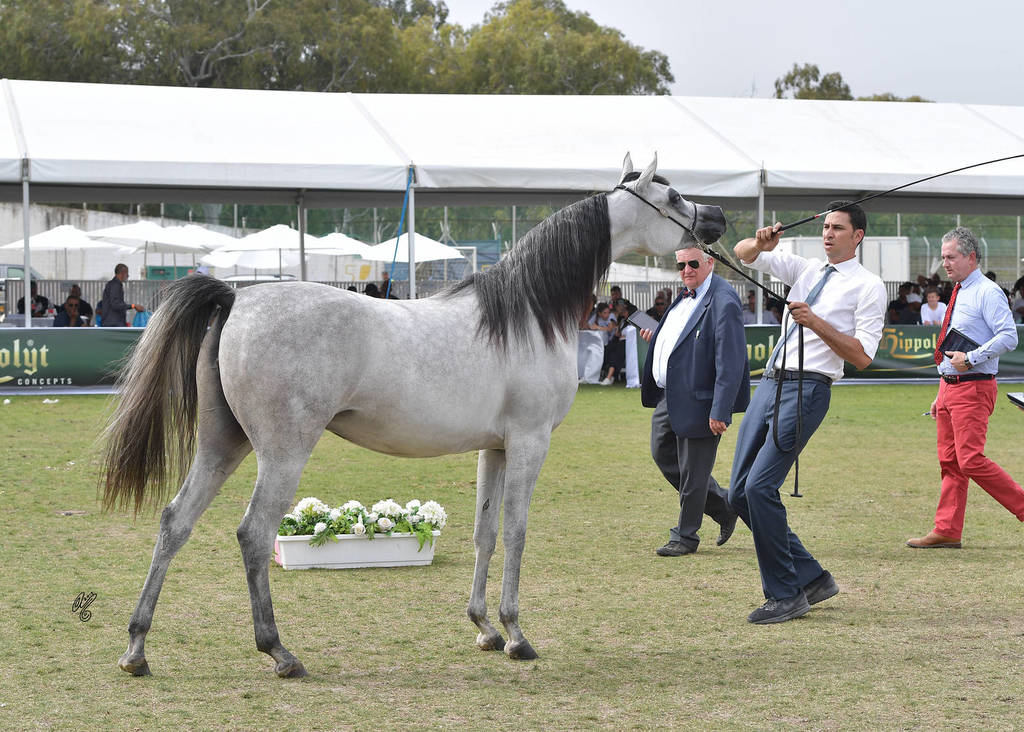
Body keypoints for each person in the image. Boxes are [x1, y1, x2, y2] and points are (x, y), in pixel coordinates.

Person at [729, 200, 886, 624]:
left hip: (809, 387)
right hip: (772, 383)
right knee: (738, 493)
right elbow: (741, 254)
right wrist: (759, 243)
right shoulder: (805, 269)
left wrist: (816, 323)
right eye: (826, 227)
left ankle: (785, 594)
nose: (828, 234)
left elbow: (863, 356)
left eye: (838, 228)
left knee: (760, 488)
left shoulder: (869, 286)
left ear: (858, 236)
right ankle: (812, 577)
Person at [906, 227, 1024, 549]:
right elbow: (952, 343)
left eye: (950, 257)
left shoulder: (987, 292)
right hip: (950, 387)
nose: (944, 263)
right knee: (950, 462)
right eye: (943, 257)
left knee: (969, 460)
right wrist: (941, 391)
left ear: (971, 257)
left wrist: (971, 359)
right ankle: (946, 530)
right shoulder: (958, 291)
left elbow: (1009, 336)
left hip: (973, 387)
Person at [639, 246, 749, 557]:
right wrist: (659, 339)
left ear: (709, 263)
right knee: (662, 453)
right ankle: (724, 506)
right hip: (670, 396)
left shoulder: (724, 299)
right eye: (681, 265)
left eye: (693, 263)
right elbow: (687, 337)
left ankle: (685, 536)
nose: (686, 269)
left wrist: (721, 408)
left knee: (693, 471)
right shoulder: (688, 293)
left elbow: (731, 360)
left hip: (701, 400)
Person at [100, 263, 144, 327]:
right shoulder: (115, 285)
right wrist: (133, 306)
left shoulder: (114, 284)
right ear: (122, 273)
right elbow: (115, 304)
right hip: (113, 324)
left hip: (113, 322)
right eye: (127, 273)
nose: (128, 276)